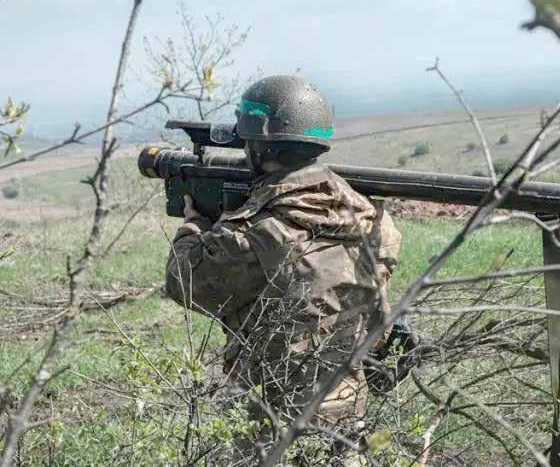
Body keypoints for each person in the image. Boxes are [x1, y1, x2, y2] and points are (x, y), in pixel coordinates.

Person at [164, 75, 402, 464]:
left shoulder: (257, 235)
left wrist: (193, 228)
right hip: (347, 403)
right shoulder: (373, 219)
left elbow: (184, 283)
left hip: (271, 418)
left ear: (258, 146)